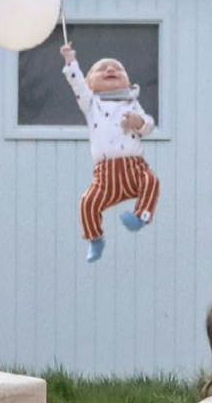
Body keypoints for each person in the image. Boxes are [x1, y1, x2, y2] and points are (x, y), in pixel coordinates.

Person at [61, 42, 160, 262]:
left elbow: (149, 125)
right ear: (90, 83)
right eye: (102, 68)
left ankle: (140, 217)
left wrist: (138, 121)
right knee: (87, 203)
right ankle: (95, 238)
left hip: (134, 168)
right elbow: (77, 84)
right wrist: (70, 61)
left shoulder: (131, 102)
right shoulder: (91, 103)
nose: (110, 69)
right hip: (105, 176)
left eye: (117, 68)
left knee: (151, 181)